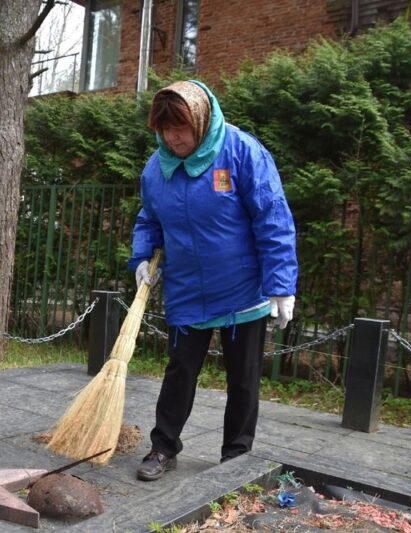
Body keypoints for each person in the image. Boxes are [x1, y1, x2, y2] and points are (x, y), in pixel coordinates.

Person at [129, 80, 298, 481]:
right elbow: (149, 218)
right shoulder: (157, 169)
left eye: (181, 127)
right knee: (179, 372)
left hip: (244, 290)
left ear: (201, 120)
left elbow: (273, 217)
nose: (173, 137)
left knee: (243, 379)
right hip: (188, 289)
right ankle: (163, 446)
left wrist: (281, 282)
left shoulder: (242, 152)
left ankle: (236, 455)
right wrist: (141, 257)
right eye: (165, 129)